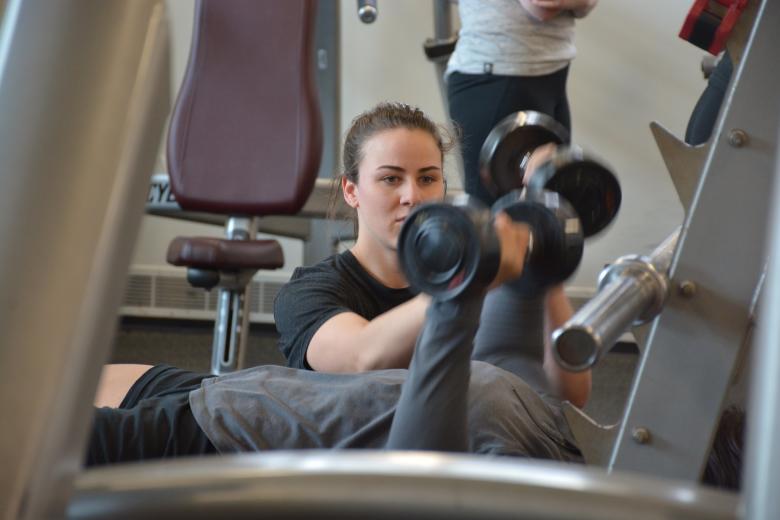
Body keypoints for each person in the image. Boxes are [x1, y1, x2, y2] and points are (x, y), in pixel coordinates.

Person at [273, 102, 591, 407]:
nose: (412, 196)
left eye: (427, 178)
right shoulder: (307, 293)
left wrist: (543, 250)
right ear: (351, 191)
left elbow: (569, 397)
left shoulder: (478, 277)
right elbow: (362, 357)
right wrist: (470, 279)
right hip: (360, 459)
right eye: (390, 179)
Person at [446, 0, 597, 206]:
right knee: (498, 219)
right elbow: (541, 6)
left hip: (552, 74)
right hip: (497, 79)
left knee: (554, 205)